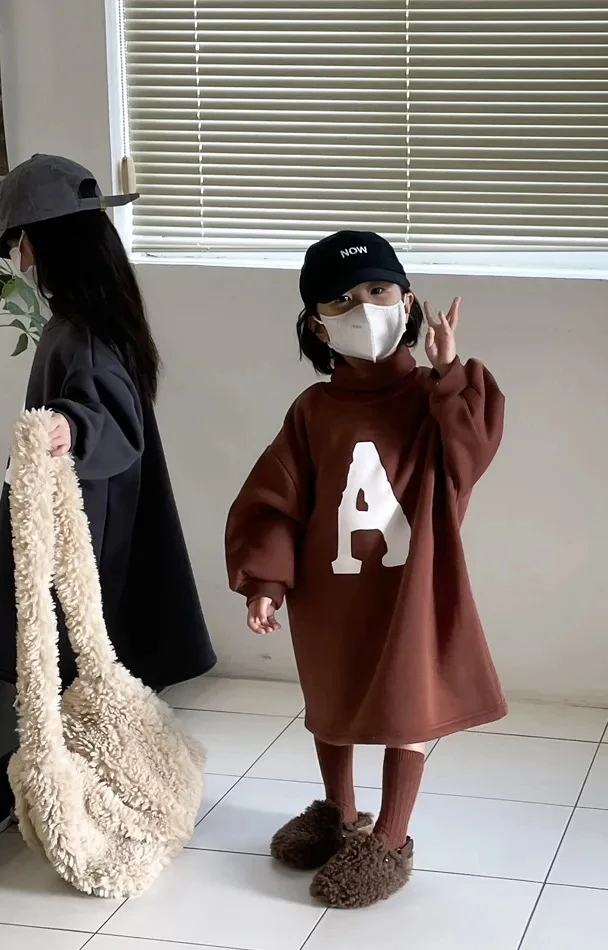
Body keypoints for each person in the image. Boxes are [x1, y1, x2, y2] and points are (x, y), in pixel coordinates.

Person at [225, 230, 507, 908]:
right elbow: (275, 498)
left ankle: (389, 838)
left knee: (405, 708)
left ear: (407, 302)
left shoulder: (433, 399)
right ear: (317, 325)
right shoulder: (314, 410)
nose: (363, 308)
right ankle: (339, 814)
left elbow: (473, 448)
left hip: (411, 588)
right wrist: (268, 580)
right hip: (329, 595)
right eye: (341, 300)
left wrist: (448, 370)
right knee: (333, 702)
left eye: (377, 291)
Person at [0, 154, 217, 821]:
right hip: (90, 523)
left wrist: (70, 425)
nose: (21, 262)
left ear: (44, 245)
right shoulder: (96, 323)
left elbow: (109, 418)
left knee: (67, 655)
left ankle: (88, 788)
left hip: (84, 534)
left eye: (21, 246)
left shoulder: (84, 338)